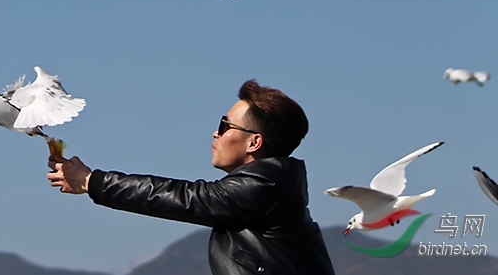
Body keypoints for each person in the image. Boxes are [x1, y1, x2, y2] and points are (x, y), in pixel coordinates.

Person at [47, 79, 335, 275]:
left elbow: (186, 198)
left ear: (254, 143)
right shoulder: (273, 185)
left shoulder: (265, 186)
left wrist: (92, 181)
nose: (215, 133)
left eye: (225, 126)